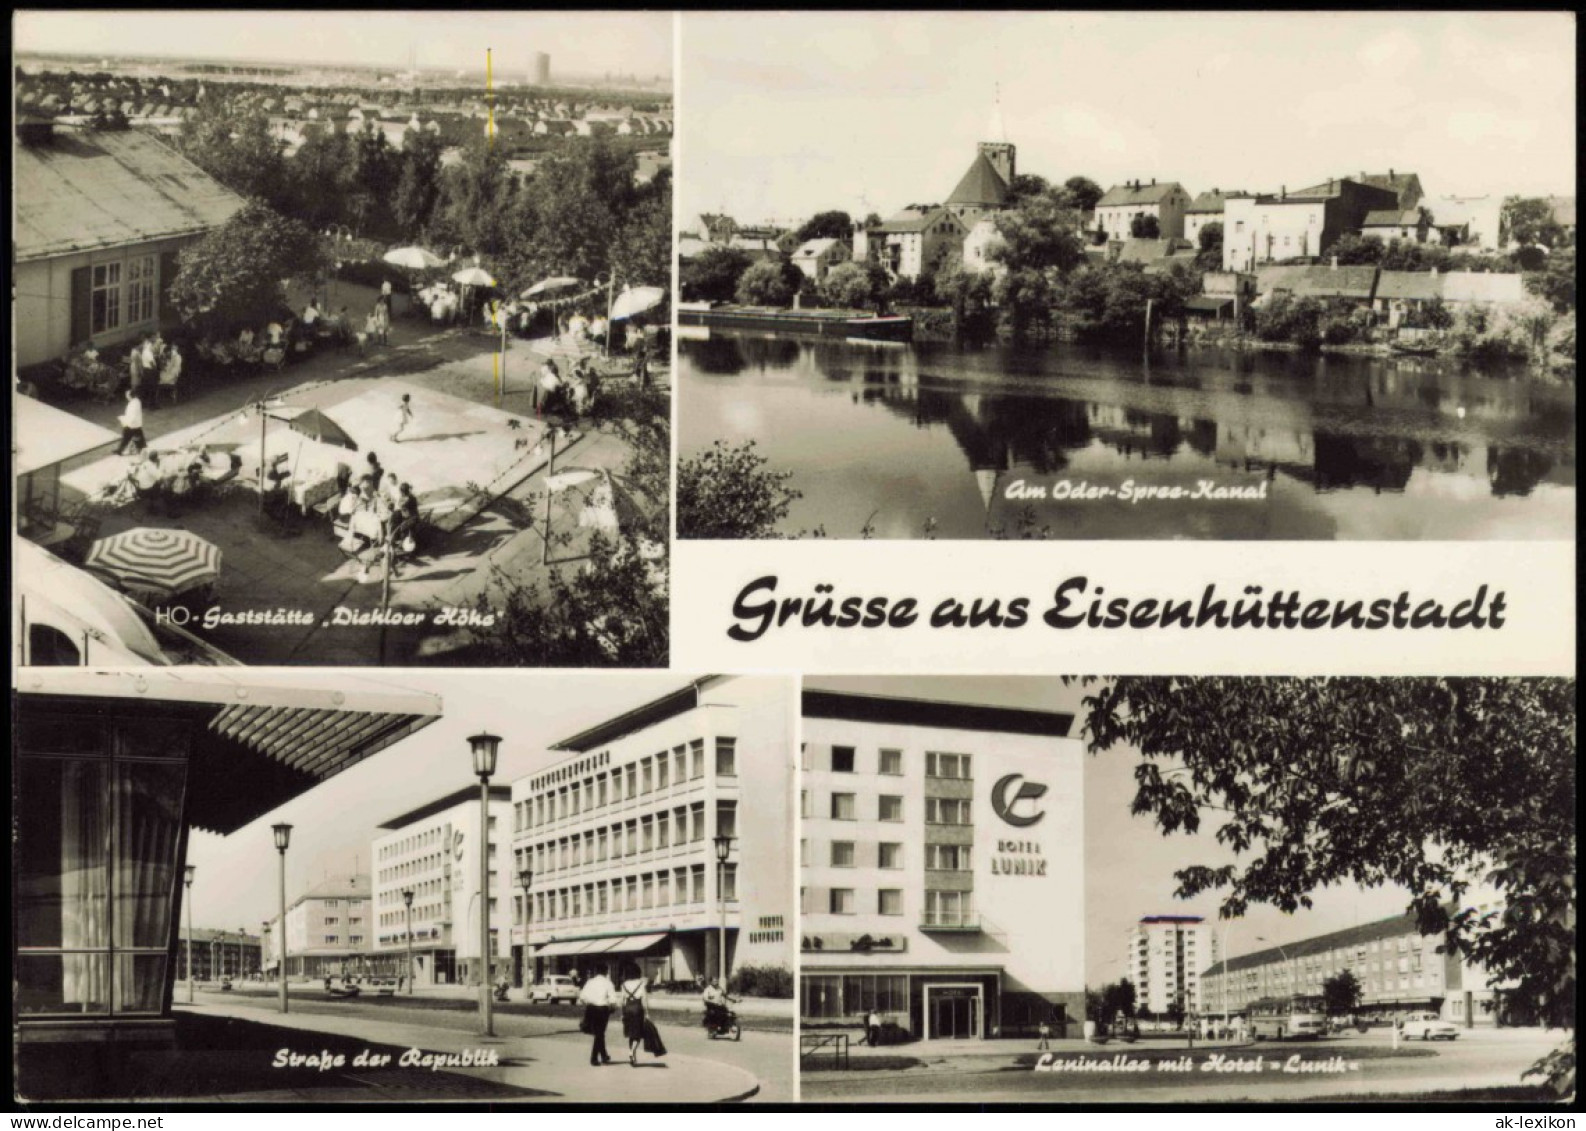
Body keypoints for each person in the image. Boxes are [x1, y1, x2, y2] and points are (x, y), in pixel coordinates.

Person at [578, 963, 616, 1067]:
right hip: (602, 1009)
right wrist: (612, 1008)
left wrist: (588, 1004)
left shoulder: (590, 982)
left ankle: (604, 1055)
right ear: (606, 971)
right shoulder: (608, 983)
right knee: (600, 1033)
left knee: (599, 1033)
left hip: (591, 1008)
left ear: (596, 971)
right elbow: (612, 999)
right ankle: (594, 1058)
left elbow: (582, 997)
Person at [617, 961, 649, 1066]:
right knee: (638, 1034)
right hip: (637, 1009)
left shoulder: (624, 984)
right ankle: (631, 1052)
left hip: (627, 1009)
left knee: (631, 1034)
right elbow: (644, 1000)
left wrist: (622, 1014)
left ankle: (633, 1057)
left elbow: (622, 1001)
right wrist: (647, 1013)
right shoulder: (641, 984)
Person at [115, 387, 146, 455]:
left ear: (130, 396)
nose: (126, 396)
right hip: (135, 423)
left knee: (126, 437)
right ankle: (142, 447)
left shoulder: (134, 403)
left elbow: (132, 416)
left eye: (127, 395)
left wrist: (124, 419)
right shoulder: (135, 401)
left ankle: (120, 450)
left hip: (132, 424)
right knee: (137, 436)